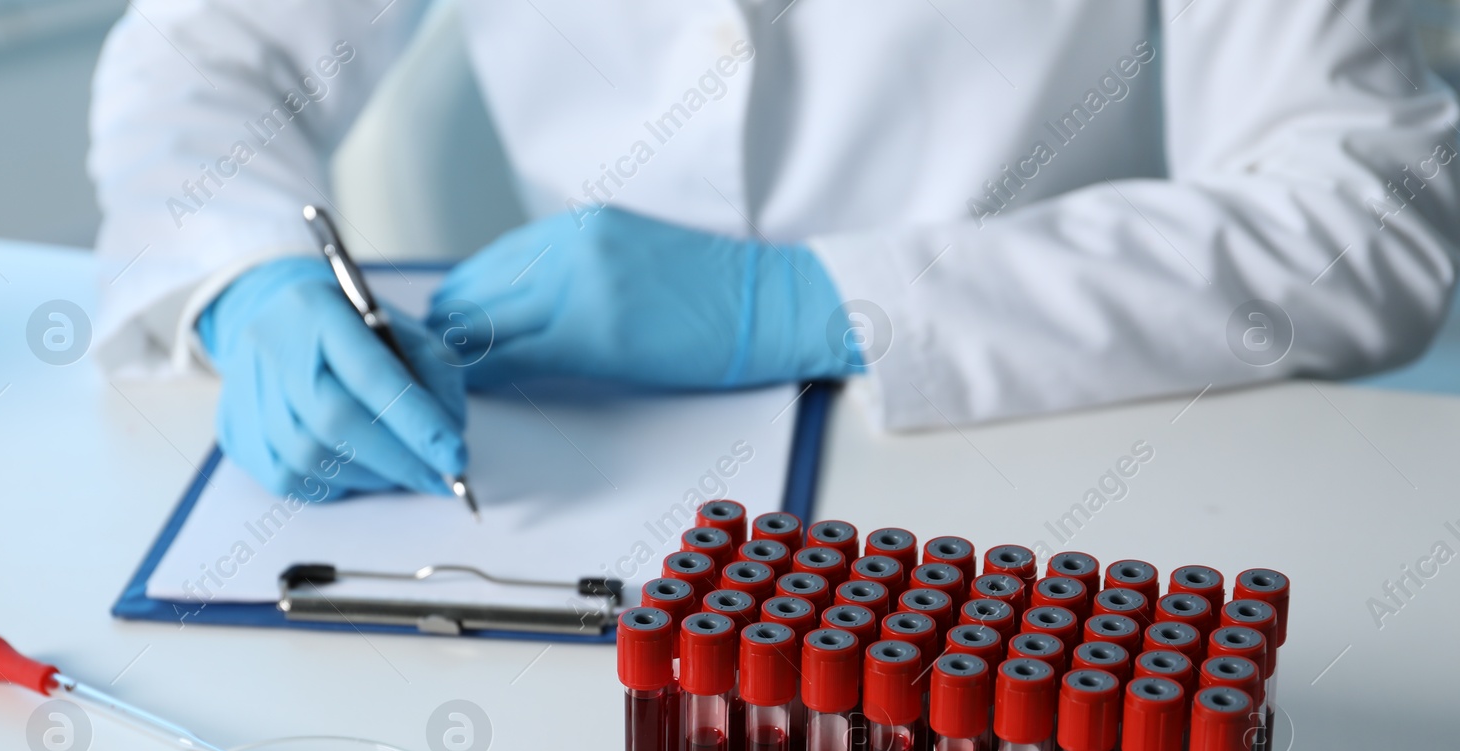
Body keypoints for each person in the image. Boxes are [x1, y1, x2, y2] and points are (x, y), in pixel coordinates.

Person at [89, 0, 1460, 499]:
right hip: (574, 463)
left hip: (1028, 452)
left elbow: (1364, 214)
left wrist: (817, 298)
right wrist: (245, 275)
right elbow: (203, 52)